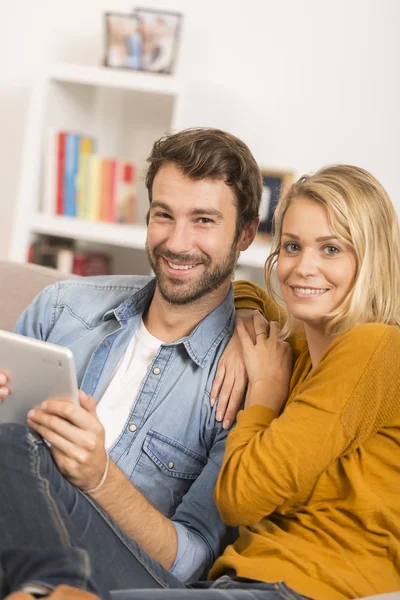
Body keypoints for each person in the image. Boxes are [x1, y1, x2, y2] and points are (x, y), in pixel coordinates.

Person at [72, 164, 400, 600]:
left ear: (371, 257)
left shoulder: (375, 346)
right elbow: (248, 292)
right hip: (244, 582)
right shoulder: (301, 343)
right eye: (292, 246)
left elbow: (240, 499)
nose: (304, 267)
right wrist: (242, 313)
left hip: (311, 587)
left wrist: (264, 390)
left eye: (331, 249)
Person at [0, 127, 262, 599]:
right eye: (164, 215)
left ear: (245, 233)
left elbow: (192, 560)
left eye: (203, 221)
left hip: (129, 579)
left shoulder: (244, 380)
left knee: (17, 441)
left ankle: (50, 583)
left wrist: (100, 478)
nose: (177, 243)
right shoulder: (62, 307)